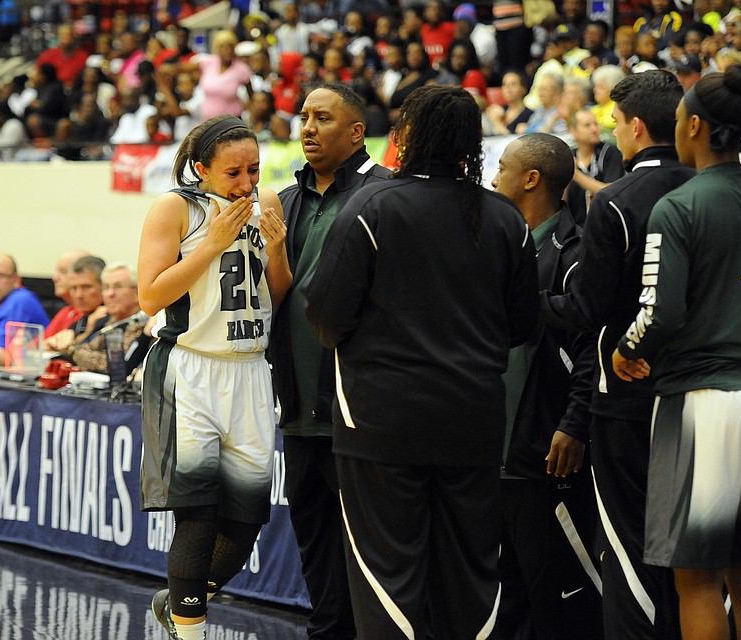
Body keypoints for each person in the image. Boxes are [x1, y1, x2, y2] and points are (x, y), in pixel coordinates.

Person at [304, 85, 540, 640]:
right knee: (472, 572)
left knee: (386, 573)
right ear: (471, 142)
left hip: (379, 422)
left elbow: (326, 313)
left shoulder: (371, 206)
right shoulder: (504, 217)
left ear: (405, 136)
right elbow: (524, 326)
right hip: (474, 420)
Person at [612, 64, 741, 640]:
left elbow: (659, 312)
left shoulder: (680, 205)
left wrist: (624, 350)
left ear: (691, 125)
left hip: (704, 404)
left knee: (695, 579)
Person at [541, 69, 695, 640]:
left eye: (613, 122)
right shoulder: (718, 188)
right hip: (715, 392)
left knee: (631, 551)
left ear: (635, 127)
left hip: (631, 395)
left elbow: (586, 311)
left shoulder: (618, 200)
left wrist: (525, 303)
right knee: (703, 563)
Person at [137, 114, 291, 640]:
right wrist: (210, 244)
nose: (247, 183)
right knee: (198, 516)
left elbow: (280, 293)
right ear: (201, 169)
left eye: (254, 169)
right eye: (233, 173)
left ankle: (177, 601)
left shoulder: (267, 203)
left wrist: (276, 251)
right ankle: (190, 631)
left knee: (247, 520)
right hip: (190, 370)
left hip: (250, 369)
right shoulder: (175, 207)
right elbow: (151, 296)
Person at [270, 83, 391, 640]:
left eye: (322, 117)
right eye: (303, 117)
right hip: (297, 409)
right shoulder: (285, 201)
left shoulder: (385, 195)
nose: (308, 127)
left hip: (361, 414)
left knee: (367, 553)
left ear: (357, 131)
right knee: (315, 544)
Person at [491, 133, 603, 640]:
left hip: (545, 454)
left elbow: (590, 352)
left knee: (558, 608)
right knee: (503, 607)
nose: (494, 178)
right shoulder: (495, 245)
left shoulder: (577, 254)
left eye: (503, 167)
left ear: (531, 179)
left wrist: (574, 423)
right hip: (491, 459)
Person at [71, 263, 152, 375]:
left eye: (118, 287)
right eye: (106, 288)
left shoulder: (146, 324)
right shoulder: (107, 320)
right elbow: (80, 352)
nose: (110, 294)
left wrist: (83, 355)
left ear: (137, 292)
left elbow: (122, 367)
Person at [566, 108, 624, 225]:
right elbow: (561, 202)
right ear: (573, 131)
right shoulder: (568, 157)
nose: (594, 129)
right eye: (587, 125)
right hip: (574, 229)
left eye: (595, 124)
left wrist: (575, 174)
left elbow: (611, 191)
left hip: (604, 225)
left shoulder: (610, 152)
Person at [45, 255, 106, 355]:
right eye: (74, 288)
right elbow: (50, 344)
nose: (79, 295)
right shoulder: (82, 317)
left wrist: (86, 334)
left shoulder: (110, 317)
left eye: (86, 287)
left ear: (103, 286)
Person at [45, 249, 89, 338]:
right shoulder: (65, 312)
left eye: (63, 272)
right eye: (57, 271)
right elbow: (39, 345)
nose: (55, 278)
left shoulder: (91, 317)